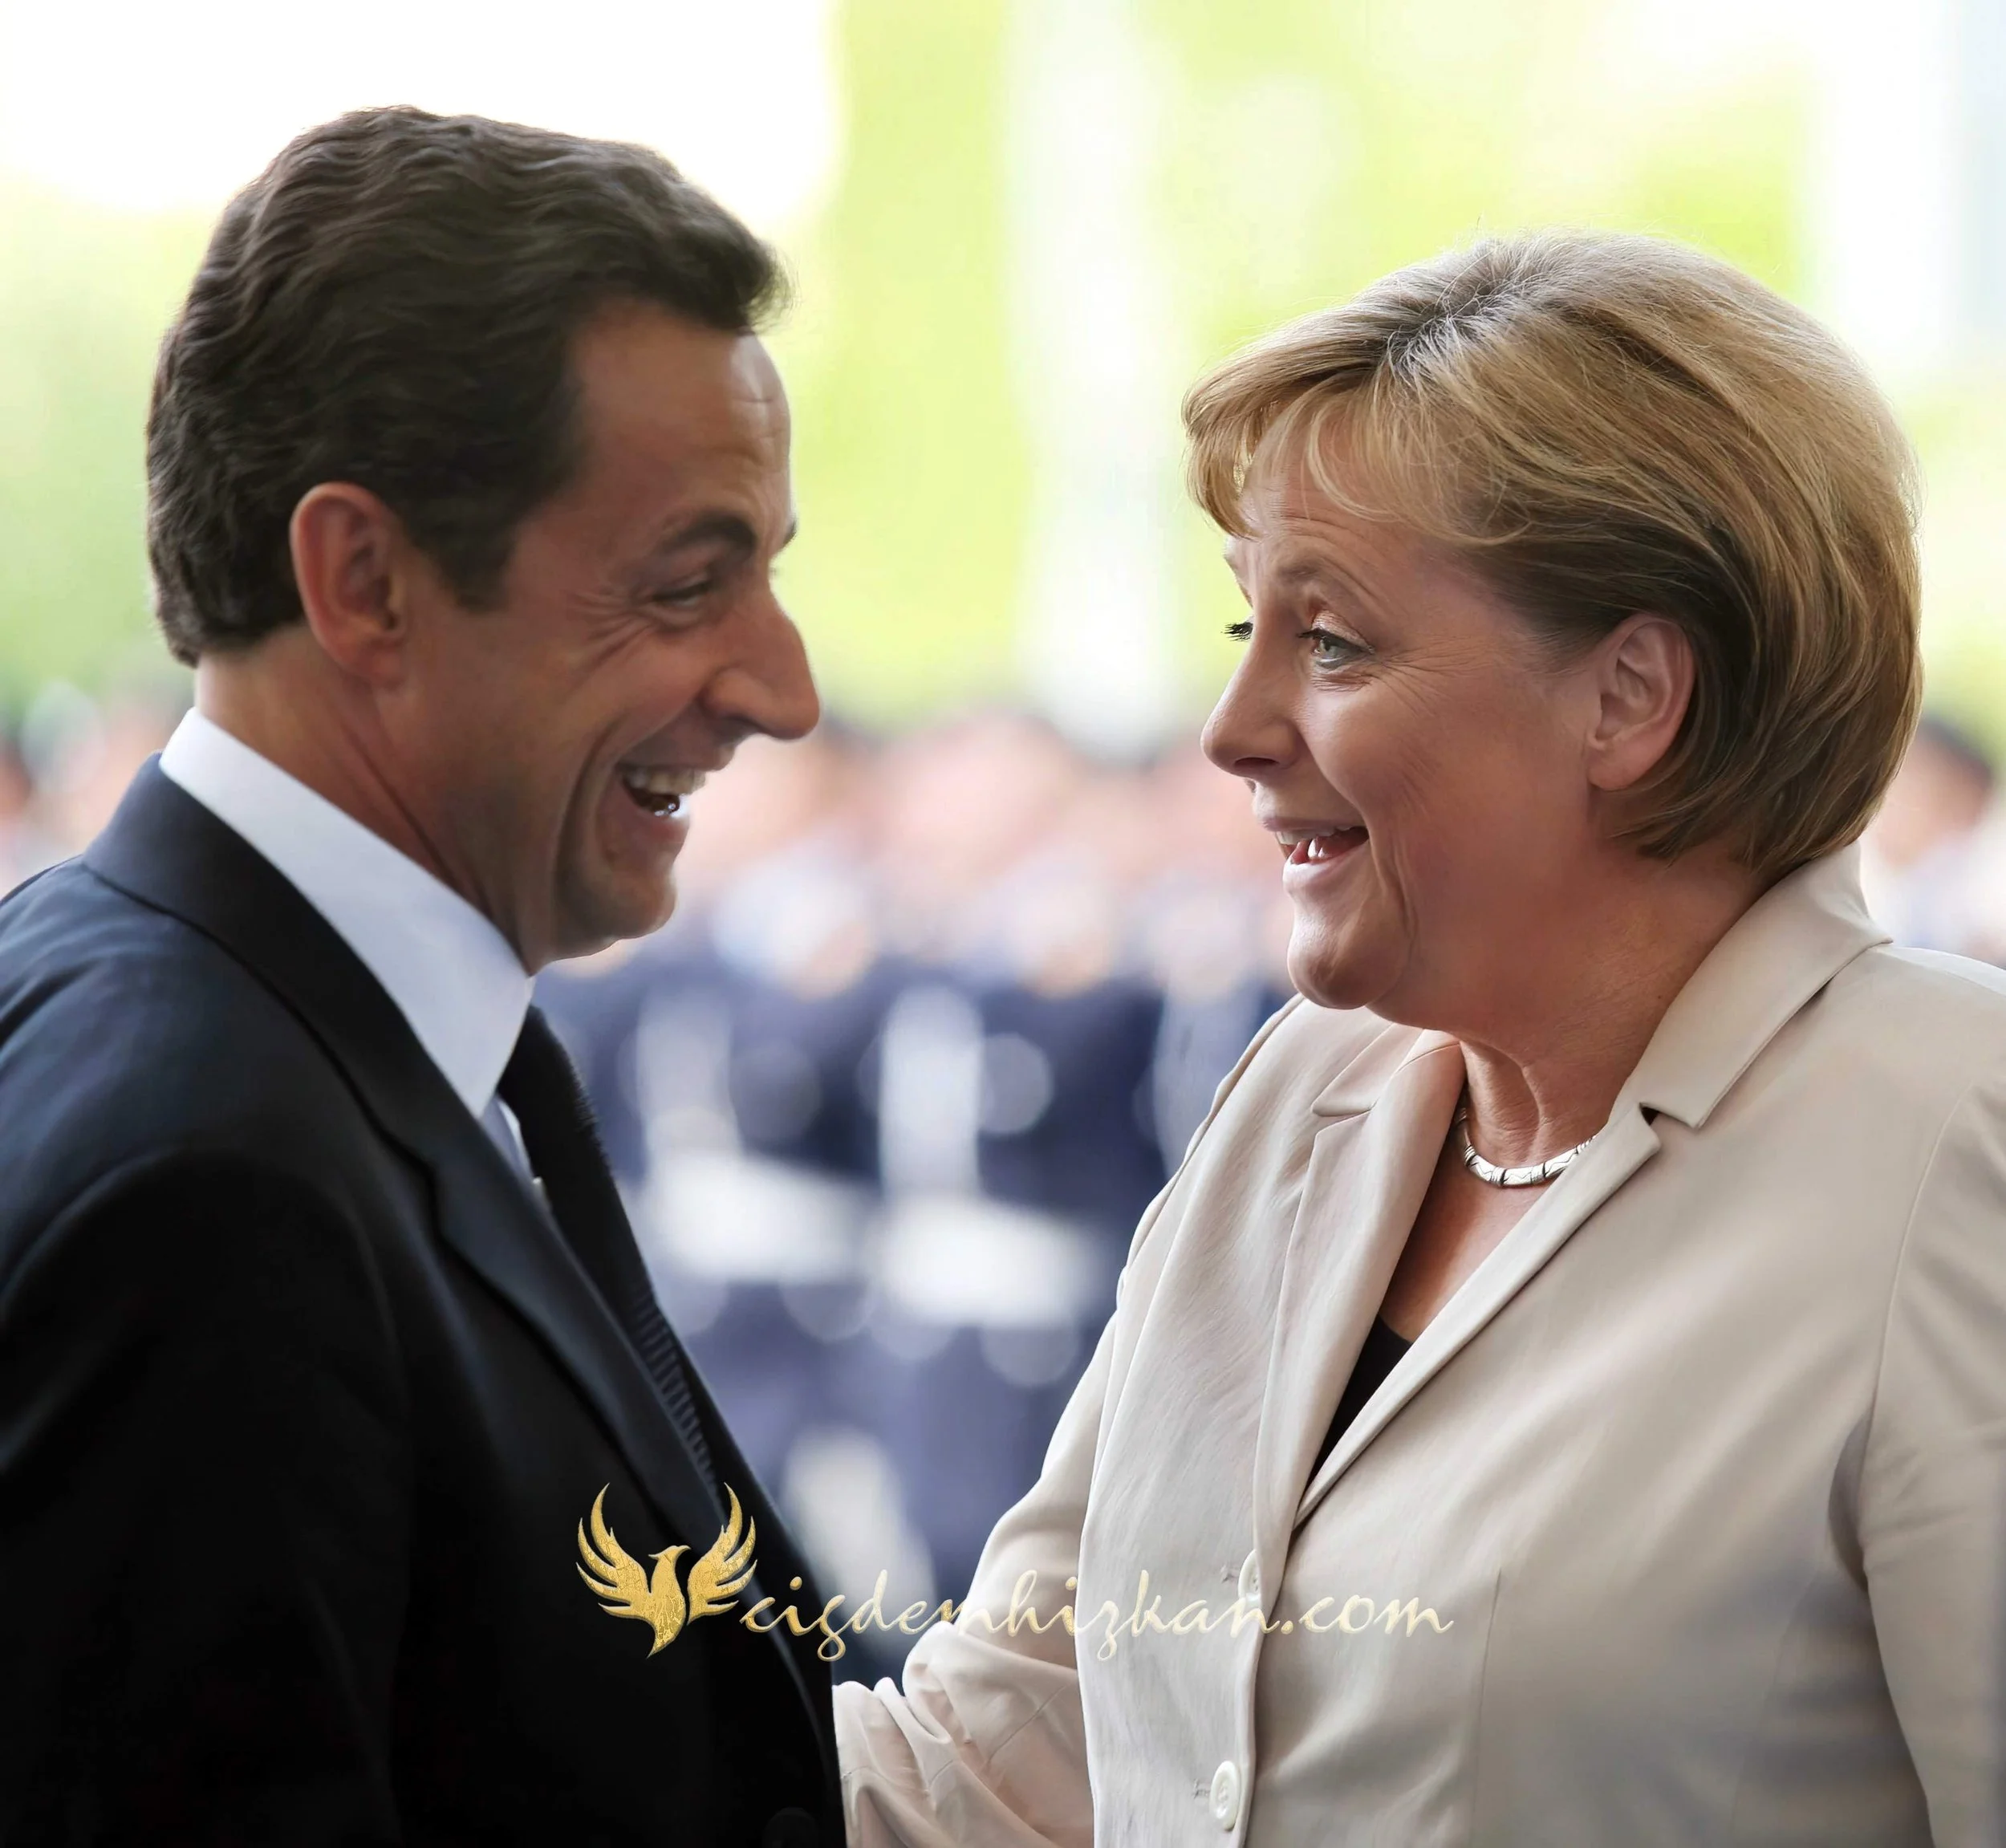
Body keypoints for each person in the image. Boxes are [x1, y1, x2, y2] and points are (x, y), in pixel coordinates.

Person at [836, 232, 2006, 1844]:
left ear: (1629, 696)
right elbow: (1014, 1751)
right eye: (1244, 624)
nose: (1230, 730)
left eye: (1327, 640)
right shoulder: (1299, 1099)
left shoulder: (1951, 1134)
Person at [0, 108, 837, 1846]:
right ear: (364, 581)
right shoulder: (214, 1177)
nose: (778, 684)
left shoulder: (238, 1030)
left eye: (768, 572)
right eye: (691, 583)